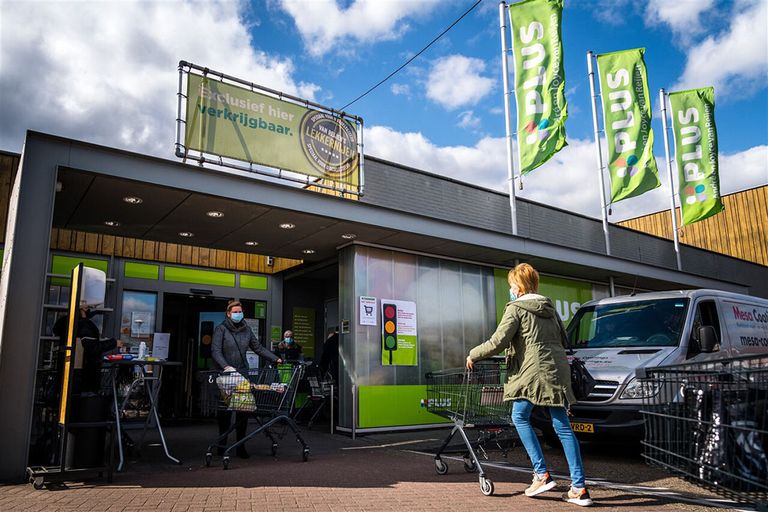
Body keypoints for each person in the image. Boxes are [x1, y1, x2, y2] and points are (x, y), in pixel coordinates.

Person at [466, 263, 593, 507]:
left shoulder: (516, 308)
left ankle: (541, 474)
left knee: (520, 416)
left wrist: (473, 354)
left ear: (520, 286)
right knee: (563, 427)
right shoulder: (550, 308)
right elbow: (563, 339)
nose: (510, 290)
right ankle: (579, 488)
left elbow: (498, 341)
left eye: (512, 285)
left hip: (532, 373)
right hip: (557, 371)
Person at [211, 300, 282, 458]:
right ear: (228, 314)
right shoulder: (221, 329)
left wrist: (274, 358)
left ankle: (240, 446)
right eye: (235, 312)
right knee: (225, 413)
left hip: (242, 373)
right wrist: (225, 367)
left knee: (243, 410)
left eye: (240, 311)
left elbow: (258, 348)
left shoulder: (247, 330)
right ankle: (222, 446)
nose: (238, 314)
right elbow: (216, 351)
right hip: (226, 375)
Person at [53, 301, 122, 394]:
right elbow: (92, 347)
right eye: (87, 307)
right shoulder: (84, 325)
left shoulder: (67, 323)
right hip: (83, 373)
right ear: (82, 310)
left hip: (67, 368)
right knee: (81, 400)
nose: (90, 310)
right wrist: (113, 343)